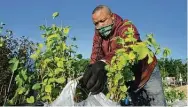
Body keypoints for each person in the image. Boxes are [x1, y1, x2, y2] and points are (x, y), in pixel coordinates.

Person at [81, 5, 166, 106]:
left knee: (157, 101)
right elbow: (96, 52)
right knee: (138, 103)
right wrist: (92, 67)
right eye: (96, 23)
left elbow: (128, 47)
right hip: (129, 76)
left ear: (112, 16)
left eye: (103, 20)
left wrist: (104, 63)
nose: (100, 25)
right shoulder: (98, 35)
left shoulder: (126, 26)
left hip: (146, 72)